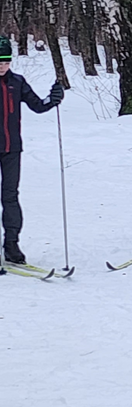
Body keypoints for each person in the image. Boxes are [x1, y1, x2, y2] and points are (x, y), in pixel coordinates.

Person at [0, 36, 64, 264]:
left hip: (12, 148)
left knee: (10, 196)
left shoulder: (17, 82)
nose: (1, 65)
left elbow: (37, 105)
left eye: (5, 61)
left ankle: (11, 244)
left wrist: (53, 98)